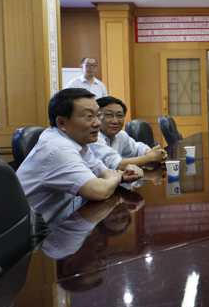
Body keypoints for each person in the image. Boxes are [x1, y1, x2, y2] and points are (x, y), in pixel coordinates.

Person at [17, 89, 143, 223]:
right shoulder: (58, 147)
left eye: (98, 115)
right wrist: (116, 178)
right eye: (88, 116)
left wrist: (124, 175)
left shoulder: (78, 142)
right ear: (62, 123)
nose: (97, 123)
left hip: (62, 220)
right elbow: (98, 191)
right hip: (35, 231)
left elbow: (103, 173)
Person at [89, 96, 167, 170]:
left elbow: (138, 149)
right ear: (97, 116)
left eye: (119, 115)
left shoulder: (120, 134)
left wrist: (158, 154)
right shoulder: (93, 137)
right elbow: (117, 165)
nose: (115, 121)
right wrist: (152, 157)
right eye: (108, 115)